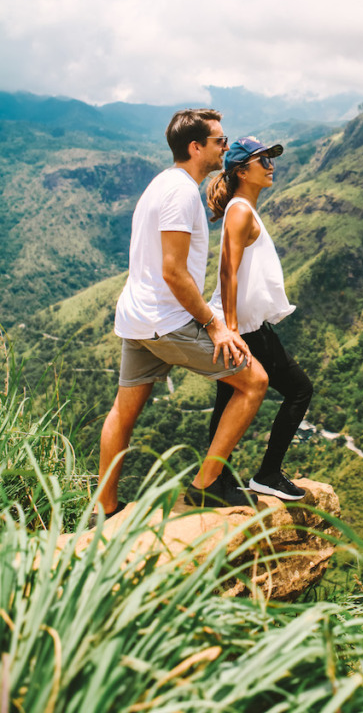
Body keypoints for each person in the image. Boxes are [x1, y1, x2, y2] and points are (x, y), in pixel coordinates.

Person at [94, 109, 269, 519]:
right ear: (196, 147)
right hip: (166, 322)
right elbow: (173, 271)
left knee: (123, 412)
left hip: (138, 319)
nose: (225, 148)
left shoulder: (162, 183)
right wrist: (215, 325)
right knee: (255, 382)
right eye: (219, 142)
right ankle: (206, 486)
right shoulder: (181, 193)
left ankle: (104, 510)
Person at [206, 136, 313, 501]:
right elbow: (227, 271)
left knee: (227, 403)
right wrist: (232, 330)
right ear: (241, 171)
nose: (270, 166)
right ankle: (265, 475)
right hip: (243, 329)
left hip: (250, 327)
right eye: (262, 161)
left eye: (271, 159)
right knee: (299, 390)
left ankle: (215, 483)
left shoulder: (243, 209)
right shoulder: (239, 211)